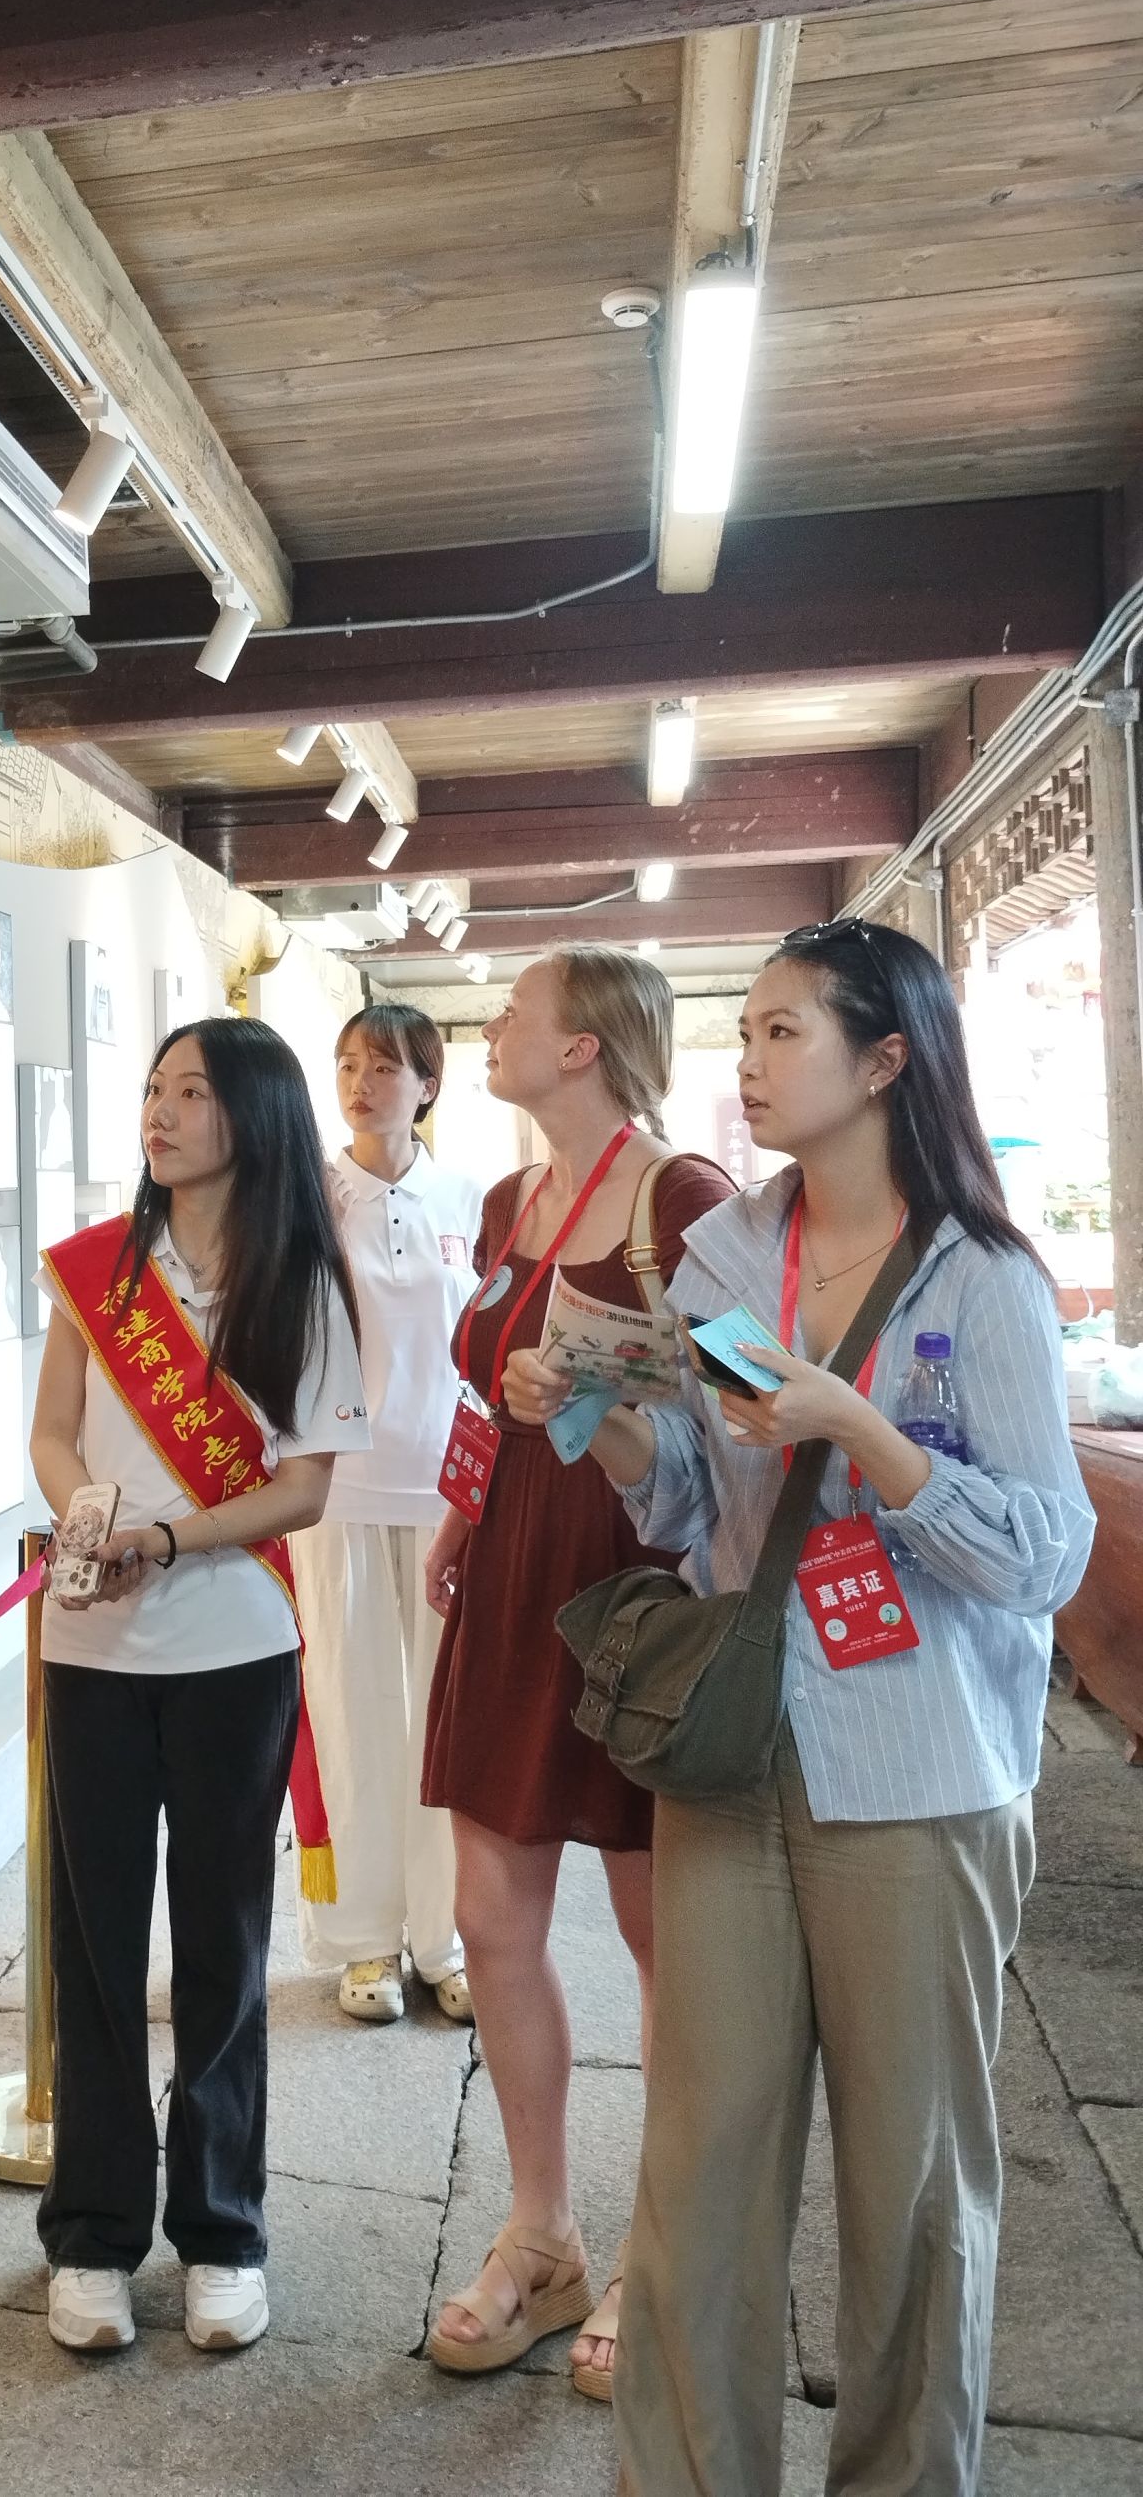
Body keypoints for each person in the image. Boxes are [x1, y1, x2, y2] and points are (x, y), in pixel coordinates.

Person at [552, 919, 1094, 2495]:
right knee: (700, 2164)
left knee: (912, 2186)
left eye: (784, 1031)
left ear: (886, 1058)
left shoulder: (984, 1277)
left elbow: (1045, 1555)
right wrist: (599, 1416)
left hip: (920, 1772)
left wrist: (860, 1425)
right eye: (748, 1033)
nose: (749, 1061)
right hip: (734, 1748)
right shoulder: (725, 1253)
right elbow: (691, 1502)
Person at [418, 944, 732, 2397]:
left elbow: (746, 1402)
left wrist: (615, 1398)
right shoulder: (508, 1200)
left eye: (513, 1012)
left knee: (664, 1934)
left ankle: (660, 2255)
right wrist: (461, 1508)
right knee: (490, 1915)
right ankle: (540, 2231)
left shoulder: (685, 1199)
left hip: (637, 1579)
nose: (491, 1027)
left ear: (583, 1045)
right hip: (511, 1568)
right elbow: (493, 1387)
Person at [31, 1018, 368, 2360]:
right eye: (153, 1089)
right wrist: (90, 1519)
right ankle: (92, 2234)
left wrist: (165, 1540)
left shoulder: (303, 1282)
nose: (159, 1113)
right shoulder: (99, 1270)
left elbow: (304, 1486)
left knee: (223, 1945)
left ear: (254, 1115)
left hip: (234, 1646)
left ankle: (223, 2229)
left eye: (191, 1092)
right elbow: (52, 1432)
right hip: (92, 1652)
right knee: (96, 1947)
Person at [294, 1003, 484, 2028]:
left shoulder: (468, 1197)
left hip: (448, 1492)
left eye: (383, 1067)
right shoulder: (309, 1193)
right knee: (351, 1709)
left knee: (445, 1722)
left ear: (427, 1084)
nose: (360, 1084)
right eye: (346, 1065)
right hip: (338, 1490)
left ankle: (446, 1938)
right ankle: (364, 1939)